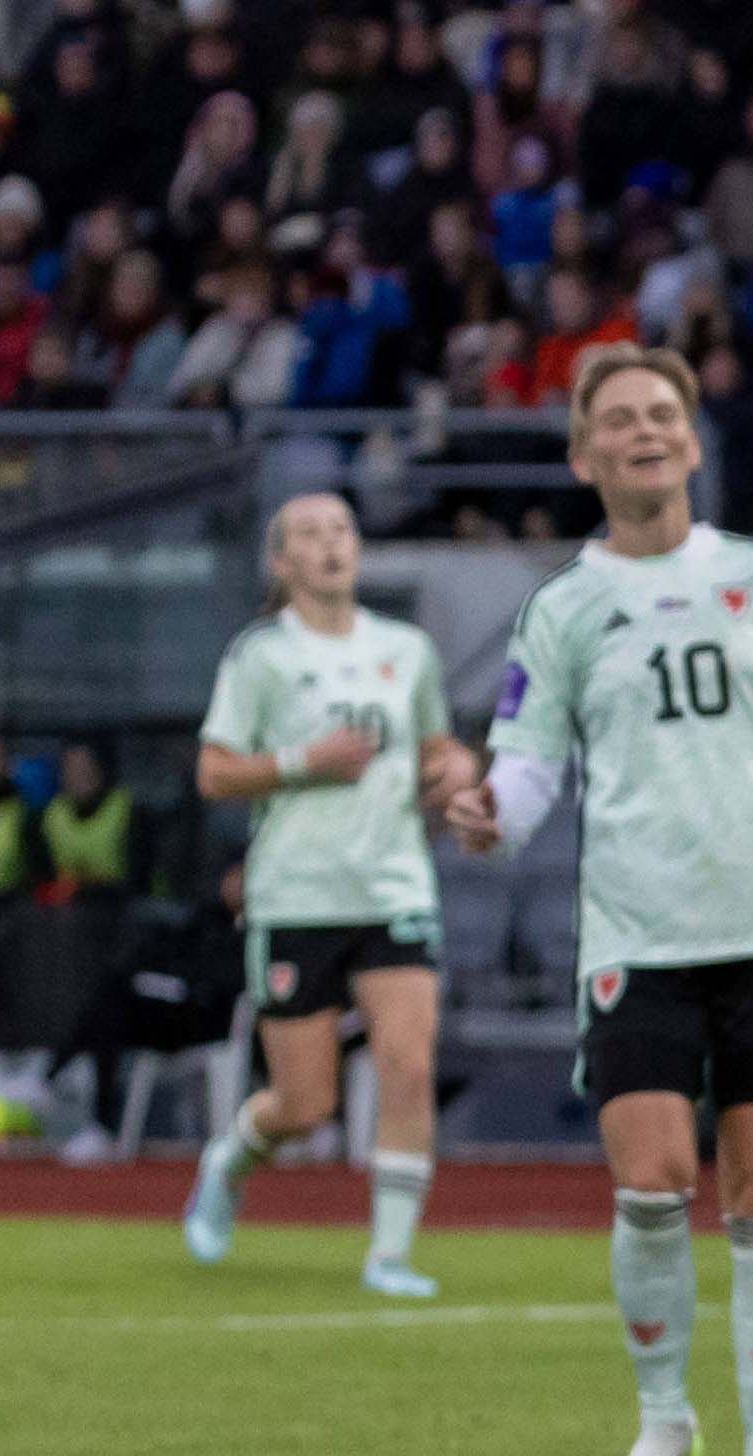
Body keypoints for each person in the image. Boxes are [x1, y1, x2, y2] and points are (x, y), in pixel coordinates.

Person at [437, 346, 753, 1456]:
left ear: (692, 441)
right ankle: (662, 1419)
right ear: (584, 457)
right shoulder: (563, 610)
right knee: (650, 1182)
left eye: (663, 414)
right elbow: (527, 780)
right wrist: (486, 819)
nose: (645, 432)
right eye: (619, 419)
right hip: (638, 929)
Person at [181, 496, 472, 1296]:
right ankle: (230, 1159)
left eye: (341, 530)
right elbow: (214, 772)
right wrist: (304, 761)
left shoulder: (405, 649)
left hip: (394, 884)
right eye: (309, 534)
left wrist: (455, 771)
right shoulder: (260, 656)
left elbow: (435, 745)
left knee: (408, 1063)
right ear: (282, 563)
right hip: (297, 893)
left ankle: (390, 1253)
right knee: (306, 1105)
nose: (330, 544)